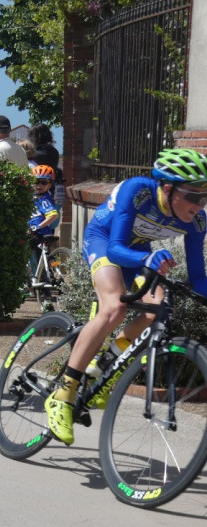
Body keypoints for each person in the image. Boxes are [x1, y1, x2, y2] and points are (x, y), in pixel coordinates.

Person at [44, 148, 207, 445]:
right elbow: (117, 247)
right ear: (168, 189)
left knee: (158, 310)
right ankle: (63, 393)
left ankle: (105, 364)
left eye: (205, 197)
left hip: (138, 253)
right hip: (105, 242)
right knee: (114, 306)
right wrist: (151, 258)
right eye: (195, 196)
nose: (200, 204)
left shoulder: (196, 221)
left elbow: (198, 278)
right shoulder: (139, 191)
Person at [27, 165, 59, 282]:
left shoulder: (43, 198)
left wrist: (38, 226)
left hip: (38, 233)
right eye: (36, 181)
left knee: (36, 257)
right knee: (43, 257)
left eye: (44, 182)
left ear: (50, 185)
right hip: (35, 231)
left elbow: (54, 215)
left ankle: (43, 289)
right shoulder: (35, 196)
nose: (39, 185)